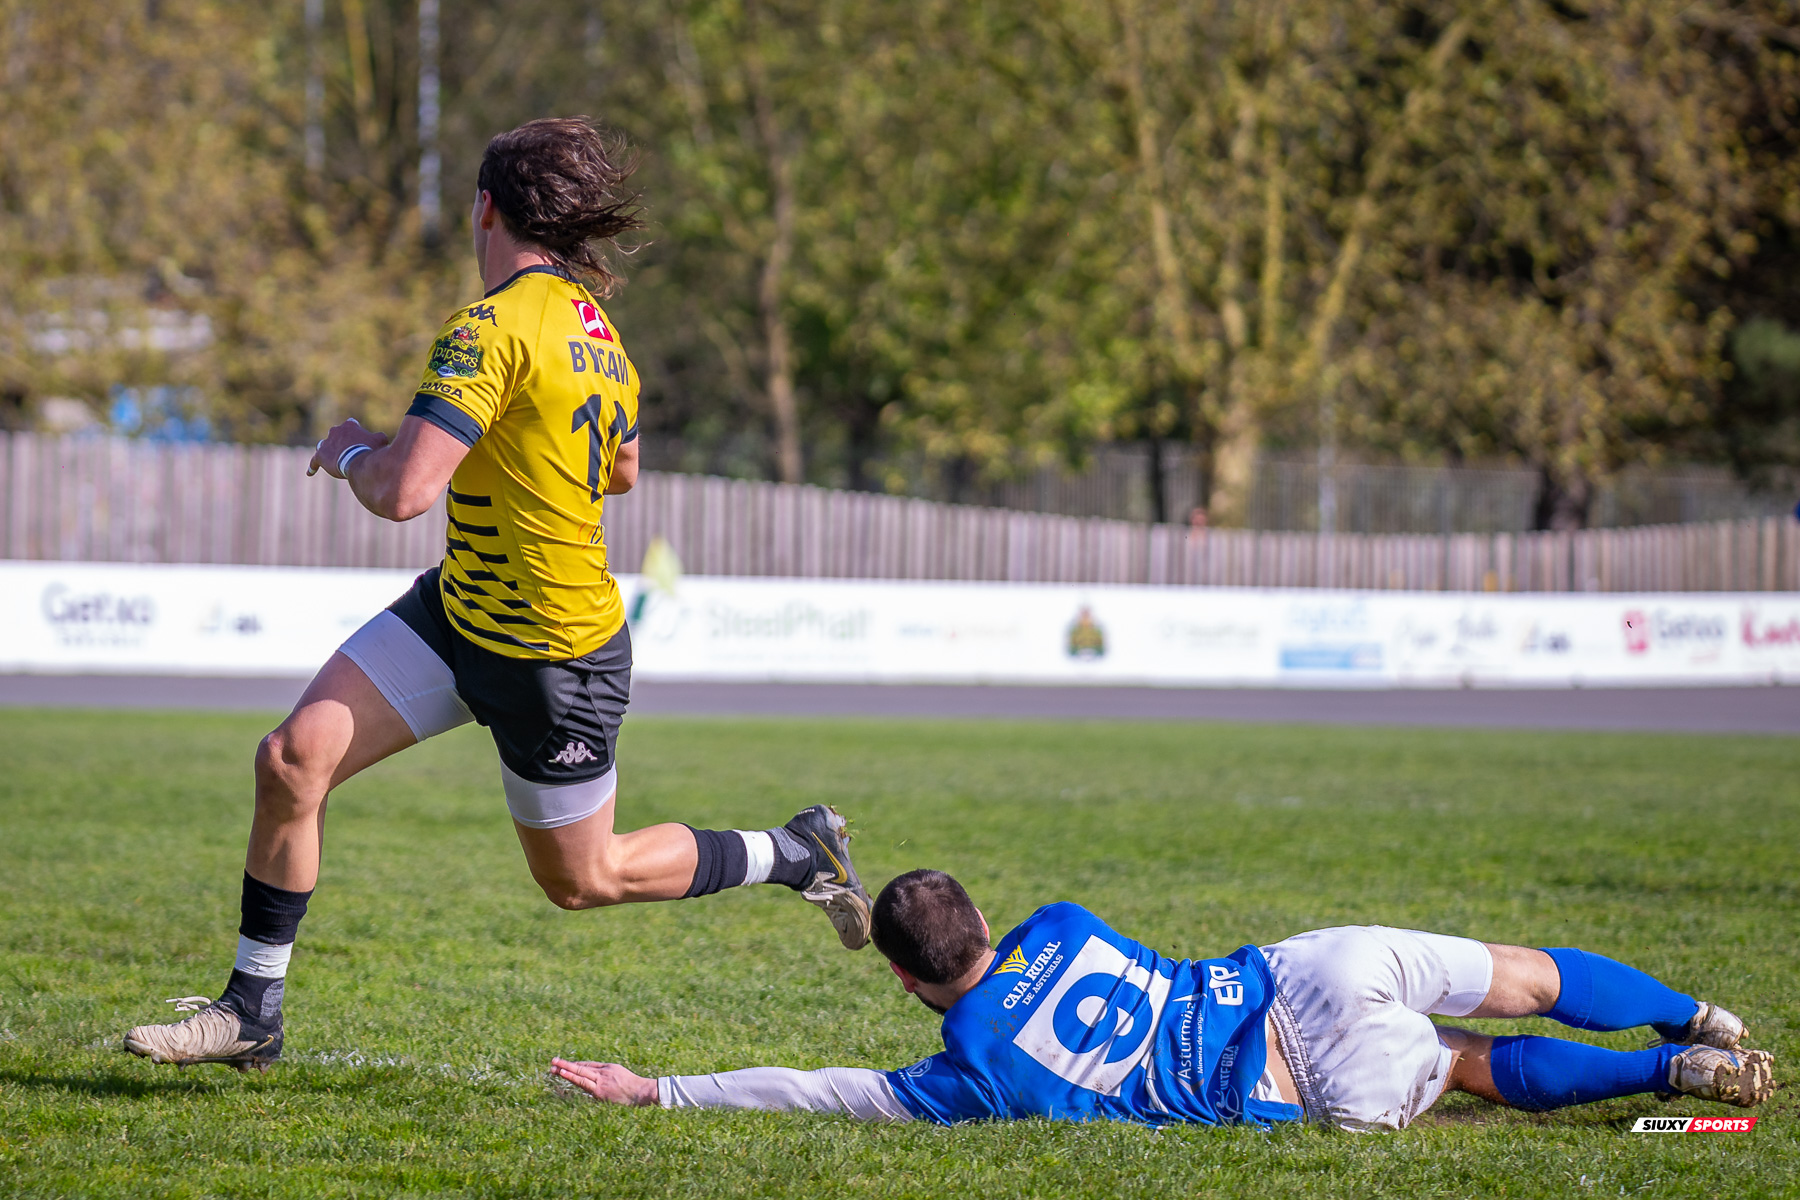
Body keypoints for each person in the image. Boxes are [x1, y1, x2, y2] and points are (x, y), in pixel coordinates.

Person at [123, 117, 871, 1072]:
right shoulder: (604, 340)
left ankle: (795, 852)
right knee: (291, 760)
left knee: (583, 879)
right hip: (459, 611)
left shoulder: (489, 326)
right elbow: (625, 469)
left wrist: (348, 444)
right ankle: (252, 1010)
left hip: (556, 656)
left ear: (485, 209)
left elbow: (401, 492)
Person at [553, 869, 1776, 1129]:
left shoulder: (969, 1076)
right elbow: (962, 944)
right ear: (987, 920)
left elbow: (820, 1090)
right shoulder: (1062, 926)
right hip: (1304, 967)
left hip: (1280, 1083)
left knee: (1463, 1066)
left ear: (901, 981)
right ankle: (1693, 1018)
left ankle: (1673, 1079)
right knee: (1525, 976)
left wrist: (658, 1085)